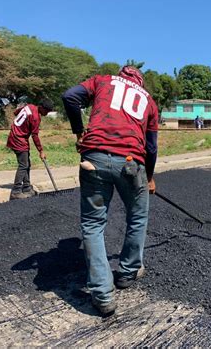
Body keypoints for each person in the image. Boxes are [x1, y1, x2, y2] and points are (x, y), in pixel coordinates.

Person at [62, 66, 158, 316]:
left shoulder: (102, 81)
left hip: (93, 157)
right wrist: (148, 177)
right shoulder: (148, 100)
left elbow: (70, 97)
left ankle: (103, 295)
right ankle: (127, 273)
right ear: (140, 81)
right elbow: (151, 146)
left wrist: (79, 132)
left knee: (93, 224)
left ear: (121, 76)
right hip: (131, 161)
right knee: (137, 217)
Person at [6, 99, 53, 200]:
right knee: (23, 165)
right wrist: (41, 151)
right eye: (47, 111)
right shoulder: (36, 117)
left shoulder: (30, 106)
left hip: (15, 136)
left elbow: (16, 112)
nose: (47, 113)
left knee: (27, 163)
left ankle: (27, 188)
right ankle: (16, 191)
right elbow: (35, 136)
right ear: (41, 107)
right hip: (19, 139)